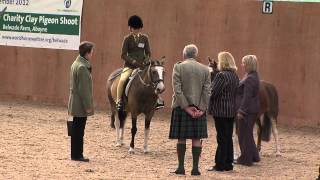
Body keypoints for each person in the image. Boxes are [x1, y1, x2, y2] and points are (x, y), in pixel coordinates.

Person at [169, 44, 211, 176]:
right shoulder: (205, 69)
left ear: (184, 54)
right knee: (196, 138)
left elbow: (177, 89)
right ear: (196, 55)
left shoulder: (178, 67)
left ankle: (181, 168)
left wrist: (186, 107)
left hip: (182, 108)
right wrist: (202, 109)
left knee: (181, 138)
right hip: (199, 108)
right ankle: (195, 169)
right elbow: (207, 91)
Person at [116, 15, 164, 111]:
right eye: (134, 28)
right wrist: (133, 61)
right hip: (130, 66)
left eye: (138, 28)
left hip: (143, 65)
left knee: (152, 79)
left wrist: (146, 59)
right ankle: (119, 100)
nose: (136, 30)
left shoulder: (144, 38)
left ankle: (158, 100)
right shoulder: (127, 39)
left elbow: (148, 52)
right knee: (122, 79)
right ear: (130, 28)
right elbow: (123, 55)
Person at [208, 52, 239, 171]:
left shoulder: (221, 75)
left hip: (220, 111)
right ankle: (228, 163)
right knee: (228, 137)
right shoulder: (234, 76)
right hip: (231, 110)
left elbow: (214, 92)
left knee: (221, 137)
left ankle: (219, 164)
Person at [68, 41, 95, 162]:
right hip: (80, 104)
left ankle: (75, 154)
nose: (92, 54)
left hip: (74, 101)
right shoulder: (83, 67)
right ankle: (78, 154)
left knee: (75, 129)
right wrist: (88, 106)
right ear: (87, 53)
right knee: (79, 130)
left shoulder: (76, 63)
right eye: (91, 52)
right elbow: (84, 89)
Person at [236, 55, 260, 166]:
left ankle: (246, 159)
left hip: (248, 111)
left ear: (249, 64)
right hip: (252, 110)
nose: (242, 65)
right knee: (248, 133)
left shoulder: (250, 78)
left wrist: (241, 111)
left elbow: (247, 96)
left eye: (243, 63)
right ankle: (254, 156)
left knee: (243, 134)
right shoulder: (252, 75)